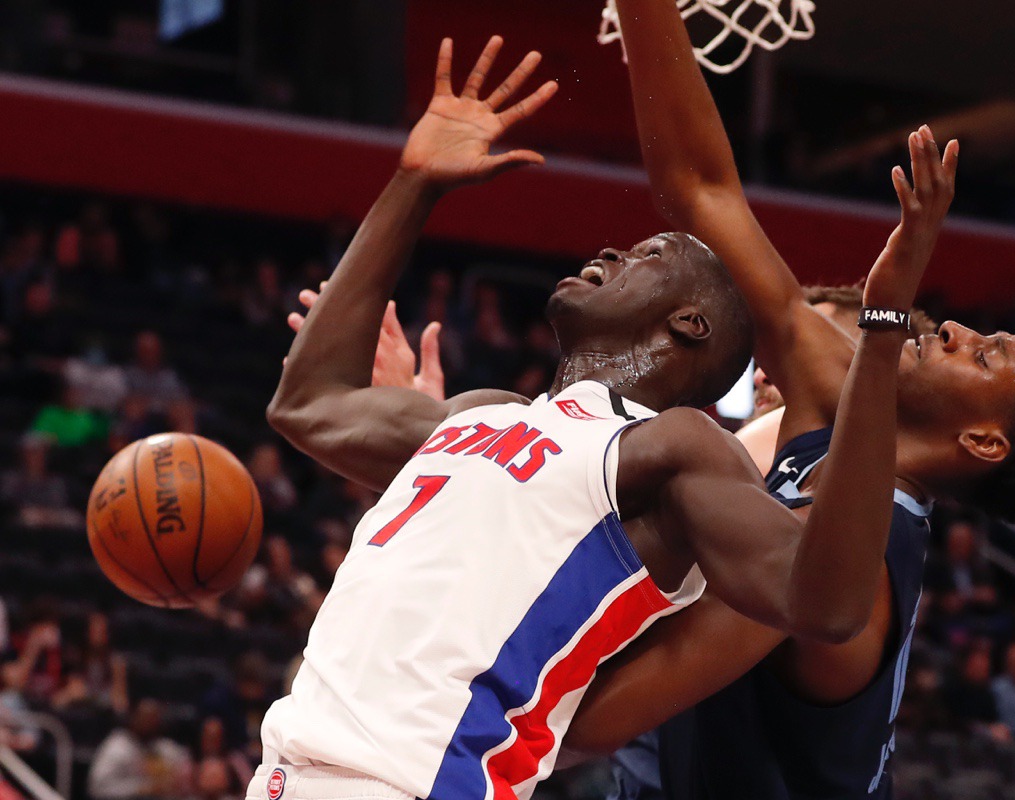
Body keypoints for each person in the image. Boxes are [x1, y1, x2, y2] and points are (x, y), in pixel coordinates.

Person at [253, 36, 925, 800]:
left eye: (649, 253)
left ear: (689, 325)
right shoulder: (480, 413)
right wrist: (414, 184)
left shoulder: (672, 448)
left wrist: (882, 323)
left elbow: (828, 601)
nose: (609, 247)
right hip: (285, 776)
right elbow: (306, 403)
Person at [555, 1, 1015, 798]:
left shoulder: (858, 569)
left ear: (986, 442)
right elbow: (703, 190)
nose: (956, 328)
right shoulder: (838, 407)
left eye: (986, 354)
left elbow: (594, 717)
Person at [88, 698, 192, 800]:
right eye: (146, 718)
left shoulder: (163, 746)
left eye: (154, 719)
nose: (151, 723)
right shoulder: (116, 747)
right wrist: (141, 788)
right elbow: (97, 788)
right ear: (134, 718)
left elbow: (185, 766)